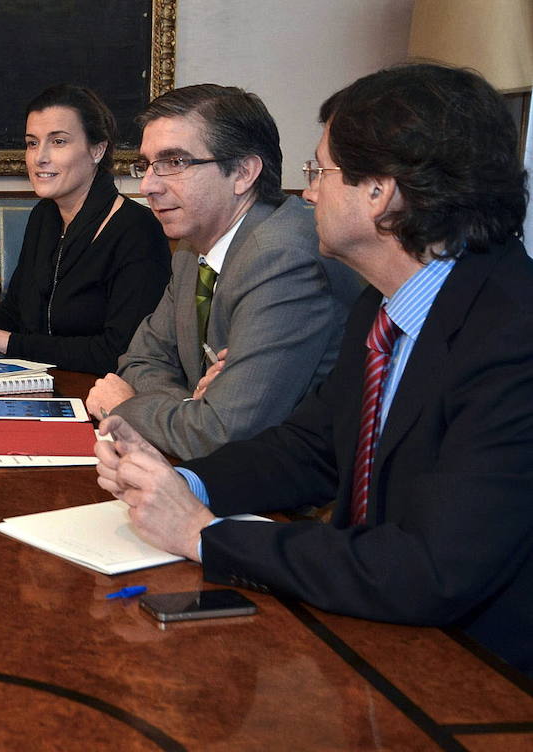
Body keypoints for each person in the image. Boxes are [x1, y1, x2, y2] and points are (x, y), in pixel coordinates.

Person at [95, 63, 533, 675]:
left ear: (381, 191)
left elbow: (432, 570)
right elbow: (312, 448)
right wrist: (185, 486)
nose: (307, 194)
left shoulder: (513, 336)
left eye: (320, 172)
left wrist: (201, 535)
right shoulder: (384, 305)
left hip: (479, 677)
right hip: (379, 639)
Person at [84, 84, 361, 460]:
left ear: (243, 173)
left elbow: (221, 434)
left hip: (291, 499)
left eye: (175, 163)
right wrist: (190, 406)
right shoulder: (191, 245)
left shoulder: (284, 257)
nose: (148, 185)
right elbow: (138, 360)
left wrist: (124, 407)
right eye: (147, 165)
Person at [0, 84, 169, 372]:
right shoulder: (43, 216)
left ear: (97, 149)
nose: (39, 157)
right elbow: (15, 313)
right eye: (32, 143)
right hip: (37, 382)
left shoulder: (138, 230)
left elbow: (120, 352)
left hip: (100, 397)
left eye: (58, 142)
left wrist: (13, 344)